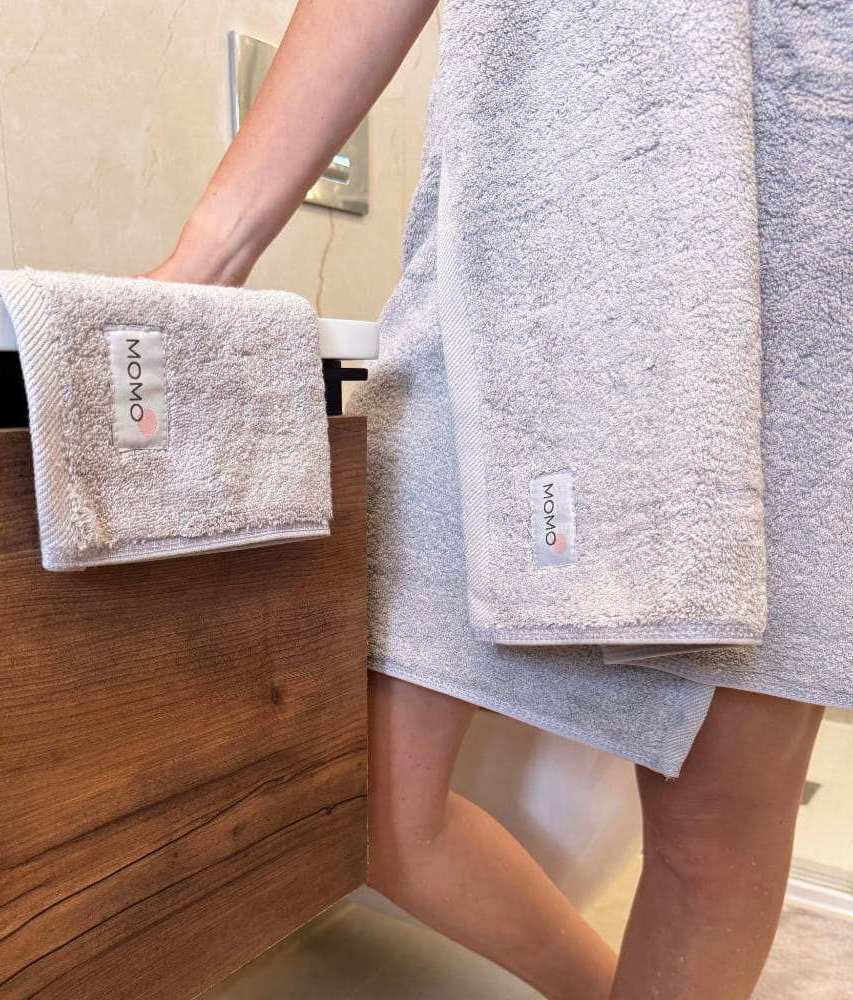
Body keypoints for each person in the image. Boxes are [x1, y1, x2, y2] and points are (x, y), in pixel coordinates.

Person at [146, 2, 839, 997]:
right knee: (371, 792)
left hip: (794, 227)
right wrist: (206, 256)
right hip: (517, 249)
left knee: (713, 834)